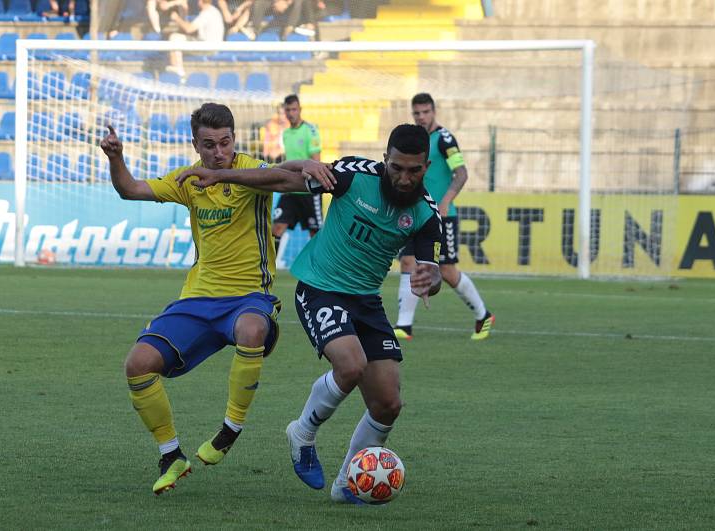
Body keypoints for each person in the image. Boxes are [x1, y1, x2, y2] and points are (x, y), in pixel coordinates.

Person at [180, 123, 443, 504]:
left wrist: (429, 277)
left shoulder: (425, 214)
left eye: (414, 170)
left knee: (388, 403)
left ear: (426, 166)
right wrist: (219, 174)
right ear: (385, 160)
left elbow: (431, 268)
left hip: (366, 301)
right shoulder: (352, 176)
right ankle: (302, 432)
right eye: (396, 167)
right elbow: (283, 180)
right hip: (321, 286)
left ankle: (348, 484)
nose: (404, 178)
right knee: (350, 365)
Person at [99, 103, 330, 496]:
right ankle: (171, 454)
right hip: (198, 299)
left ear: (234, 140)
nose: (218, 152)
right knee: (138, 364)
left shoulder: (250, 171)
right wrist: (117, 158)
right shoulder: (189, 180)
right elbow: (130, 189)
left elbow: (290, 179)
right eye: (209, 145)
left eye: (225, 142)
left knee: (252, 329)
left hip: (249, 297)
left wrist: (301, 162)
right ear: (195, 144)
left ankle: (230, 430)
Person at [394, 93, 495, 341]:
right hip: (414, 213)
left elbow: (461, 173)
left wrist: (446, 201)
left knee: (447, 270)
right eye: (417, 113)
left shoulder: (444, 139)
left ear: (434, 111)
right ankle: (403, 326)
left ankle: (483, 315)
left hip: (441, 215)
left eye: (425, 112)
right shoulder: (414, 142)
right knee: (407, 262)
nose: (421, 117)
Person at [272, 94, 323, 256]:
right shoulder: (286, 134)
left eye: (294, 109)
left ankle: (317, 268)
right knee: (277, 227)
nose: (291, 113)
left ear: (300, 110)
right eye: (288, 110)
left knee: (315, 233)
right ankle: (269, 267)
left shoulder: (311, 130)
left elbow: (316, 161)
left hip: (308, 189)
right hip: (290, 189)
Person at [166, 0, 224, 76]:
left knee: (174, 37)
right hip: (210, 46)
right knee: (177, 39)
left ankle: (178, 71)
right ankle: (177, 67)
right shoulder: (214, 11)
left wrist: (176, 18)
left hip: (208, 48)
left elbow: (189, 29)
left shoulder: (207, 13)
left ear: (200, 2)